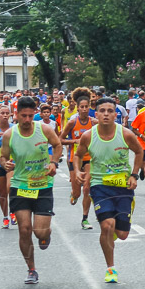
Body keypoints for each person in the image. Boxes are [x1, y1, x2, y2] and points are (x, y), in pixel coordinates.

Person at [75, 97, 144, 283]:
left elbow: (139, 151)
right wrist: (77, 171)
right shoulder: (89, 135)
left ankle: (114, 227)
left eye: (110, 111)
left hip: (123, 186)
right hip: (100, 186)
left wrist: (134, 175)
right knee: (106, 226)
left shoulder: (126, 134)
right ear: (96, 114)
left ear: (116, 114)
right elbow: (78, 154)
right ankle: (110, 268)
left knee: (122, 235)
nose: (106, 114)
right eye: (102, 111)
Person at [0, 96, 63, 284]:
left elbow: (58, 145)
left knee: (40, 232)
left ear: (34, 114)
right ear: (16, 115)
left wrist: (53, 162)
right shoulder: (9, 135)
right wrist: (6, 164)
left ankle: (46, 234)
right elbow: (3, 157)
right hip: (20, 186)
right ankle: (31, 269)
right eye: (23, 116)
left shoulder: (44, 129)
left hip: (43, 185)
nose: (27, 120)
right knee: (24, 229)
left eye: (30, 115)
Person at [60, 88, 95, 229]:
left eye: (87, 107)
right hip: (74, 158)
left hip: (89, 158)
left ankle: (85, 218)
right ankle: (73, 195)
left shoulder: (94, 122)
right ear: (78, 108)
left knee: (87, 188)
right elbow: (60, 140)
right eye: (82, 107)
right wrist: (74, 141)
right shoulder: (72, 123)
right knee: (77, 192)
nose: (85, 109)